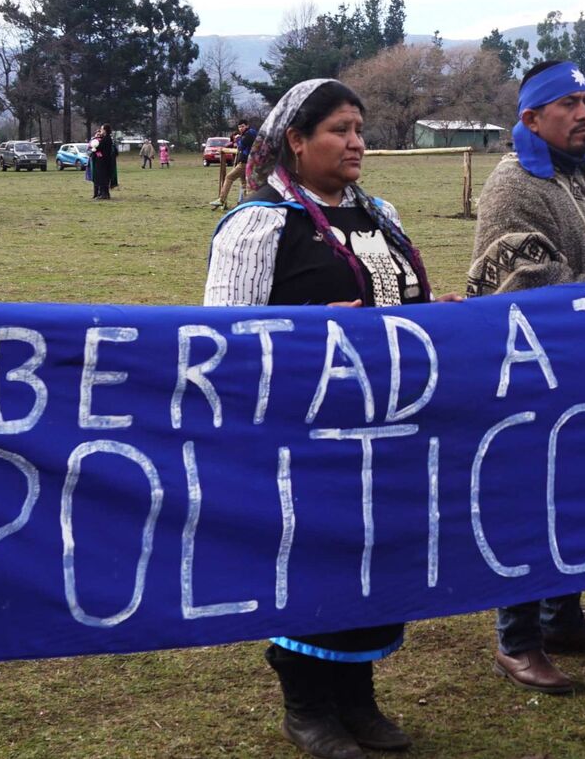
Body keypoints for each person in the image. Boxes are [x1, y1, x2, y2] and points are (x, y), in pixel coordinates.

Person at [206, 78, 455, 759]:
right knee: (315, 559)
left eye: (359, 129)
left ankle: (356, 694)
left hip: (389, 428)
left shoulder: (381, 216)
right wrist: (305, 328)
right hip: (304, 437)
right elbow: (220, 337)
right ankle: (306, 702)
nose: (356, 142)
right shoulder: (258, 226)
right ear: (297, 140)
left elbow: (401, 304)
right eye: (339, 130)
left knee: (373, 559)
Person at [465, 59, 585, 695]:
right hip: (531, 375)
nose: (584, 114)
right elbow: (526, 282)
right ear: (531, 118)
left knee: (579, 496)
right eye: (567, 104)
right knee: (530, 503)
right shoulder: (515, 184)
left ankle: (562, 616)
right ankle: (516, 640)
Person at [214, 118, 257, 209]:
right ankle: (246, 204)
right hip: (249, 161)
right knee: (244, 183)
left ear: (247, 126)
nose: (241, 128)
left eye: (242, 126)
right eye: (239, 127)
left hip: (245, 162)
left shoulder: (249, 134)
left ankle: (221, 199)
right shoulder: (249, 134)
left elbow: (242, 145)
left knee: (229, 177)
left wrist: (237, 139)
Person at [89, 126, 119, 200]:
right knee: (102, 178)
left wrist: (95, 148)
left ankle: (104, 194)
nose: (101, 131)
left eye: (102, 129)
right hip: (102, 161)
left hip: (103, 161)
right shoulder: (106, 138)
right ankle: (102, 193)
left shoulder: (106, 139)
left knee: (103, 178)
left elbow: (100, 147)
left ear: (105, 130)